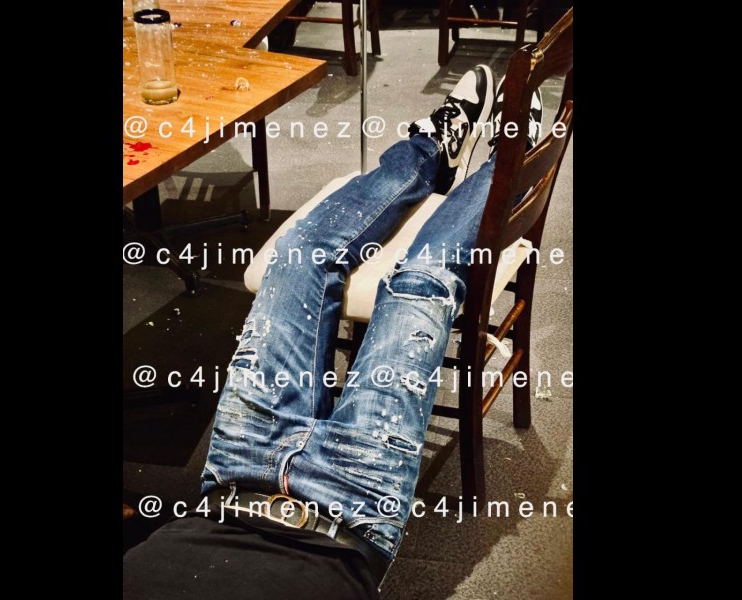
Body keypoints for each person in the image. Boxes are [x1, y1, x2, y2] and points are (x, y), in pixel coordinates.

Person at [123, 64, 544, 600]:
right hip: (349, 509)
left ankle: (429, 150)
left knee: (298, 257)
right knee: (422, 283)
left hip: (234, 476)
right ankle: (511, 159)